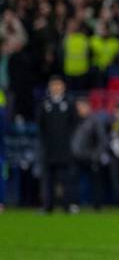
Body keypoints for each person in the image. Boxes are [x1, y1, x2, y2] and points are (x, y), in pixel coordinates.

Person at [37, 76, 78, 213]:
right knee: (48, 180)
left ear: (63, 87)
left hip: (64, 149)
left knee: (65, 179)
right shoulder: (44, 104)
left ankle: (67, 205)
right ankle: (48, 206)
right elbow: (40, 125)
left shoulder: (69, 104)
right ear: (49, 87)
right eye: (53, 85)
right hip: (49, 149)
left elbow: (74, 124)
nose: (56, 88)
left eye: (58, 85)